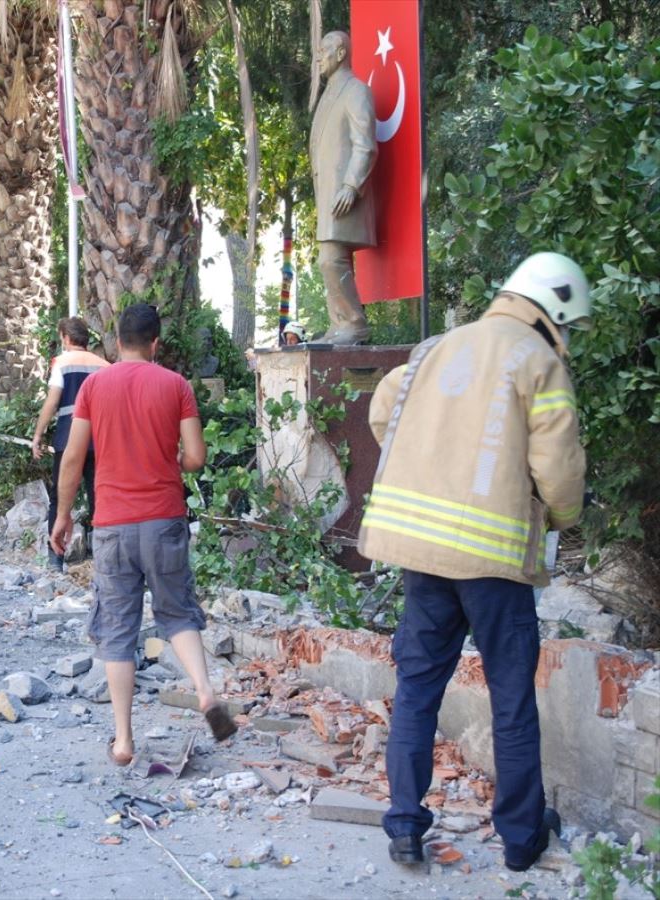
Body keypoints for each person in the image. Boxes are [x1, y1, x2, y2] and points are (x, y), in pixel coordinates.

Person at [359, 252, 589, 871]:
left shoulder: (436, 347)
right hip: (492, 561)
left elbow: (385, 412)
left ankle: (405, 826)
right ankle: (521, 840)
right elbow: (559, 473)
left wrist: (430, 463)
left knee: (417, 690)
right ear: (556, 311)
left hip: (421, 553)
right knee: (510, 697)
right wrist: (561, 518)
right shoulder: (538, 362)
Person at [50, 304, 237, 766]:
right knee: (177, 613)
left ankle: (123, 740)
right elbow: (196, 457)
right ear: (156, 343)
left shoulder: (95, 385)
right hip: (164, 519)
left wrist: (63, 514)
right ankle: (206, 692)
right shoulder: (176, 385)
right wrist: (166, 460)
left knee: (118, 630)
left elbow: (73, 458)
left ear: (115, 340)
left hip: (112, 524)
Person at [309, 31, 377, 345]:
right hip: (328, 195)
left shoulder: (355, 90)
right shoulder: (329, 93)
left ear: (340, 52)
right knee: (328, 259)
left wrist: (351, 185)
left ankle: (353, 323)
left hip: (343, 194)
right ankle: (339, 325)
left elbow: (365, 145)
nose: (318, 56)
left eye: (323, 50)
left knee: (330, 258)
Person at [31, 317, 109, 570]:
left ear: (65, 337)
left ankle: (56, 558)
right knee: (99, 496)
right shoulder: (104, 366)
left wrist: (38, 435)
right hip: (98, 440)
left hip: (67, 438)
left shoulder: (62, 363)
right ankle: (103, 558)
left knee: (60, 496)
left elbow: (52, 402)